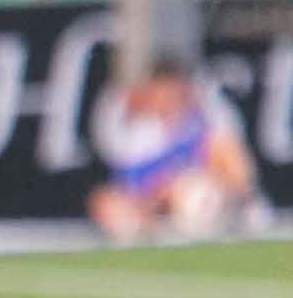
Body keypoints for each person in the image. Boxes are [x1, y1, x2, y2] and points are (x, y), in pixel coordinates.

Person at [88, 54, 267, 241]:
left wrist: (192, 181)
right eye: (162, 92)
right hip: (158, 208)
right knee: (105, 201)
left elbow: (230, 162)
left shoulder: (204, 120)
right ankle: (152, 229)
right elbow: (131, 187)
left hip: (210, 194)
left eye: (174, 91)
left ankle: (246, 209)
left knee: (216, 161)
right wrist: (162, 194)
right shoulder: (139, 136)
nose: (168, 99)